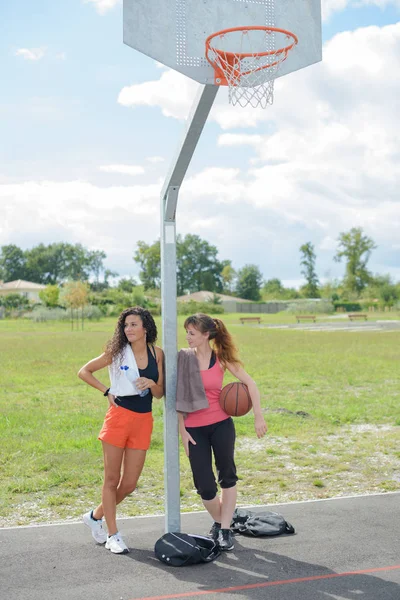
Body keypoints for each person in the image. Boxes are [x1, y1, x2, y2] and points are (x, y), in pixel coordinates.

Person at [176, 313, 267, 552]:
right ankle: (221, 520)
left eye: (192, 333)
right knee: (204, 485)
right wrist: (182, 430)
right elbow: (177, 396)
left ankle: (225, 529)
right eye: (186, 332)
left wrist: (258, 416)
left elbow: (251, 384)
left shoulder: (222, 359)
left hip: (221, 425)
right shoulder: (183, 359)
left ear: (206, 335)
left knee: (227, 475)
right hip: (194, 428)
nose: (187, 337)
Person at [78, 306, 164, 554]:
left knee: (129, 484)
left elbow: (159, 393)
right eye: (126, 325)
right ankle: (113, 535)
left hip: (143, 419)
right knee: (111, 479)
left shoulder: (157, 353)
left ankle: (94, 516)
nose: (129, 329)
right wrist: (106, 391)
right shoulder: (116, 352)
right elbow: (84, 371)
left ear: (145, 327)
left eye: (134, 324)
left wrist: (151, 383)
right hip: (118, 418)